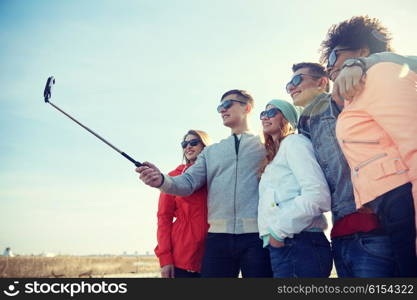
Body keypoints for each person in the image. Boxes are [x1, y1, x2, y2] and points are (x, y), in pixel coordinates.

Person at [136, 90, 272, 277]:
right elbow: (188, 182)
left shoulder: (266, 145)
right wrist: (161, 180)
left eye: (227, 105)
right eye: (219, 107)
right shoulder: (211, 152)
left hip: (256, 238)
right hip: (217, 239)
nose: (222, 110)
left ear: (247, 107)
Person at [320, 15, 417, 276]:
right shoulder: (358, 91)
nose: (329, 67)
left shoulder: (381, 74)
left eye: (333, 57)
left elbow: (414, 146)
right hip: (389, 208)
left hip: (404, 201)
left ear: (362, 50)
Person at [288, 61, 398, 277]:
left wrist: (354, 64)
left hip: (373, 228)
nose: (291, 87)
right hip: (339, 234)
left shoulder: (340, 101)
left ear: (322, 82)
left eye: (297, 79)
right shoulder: (305, 124)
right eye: (288, 84)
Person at [257, 99, 332, 277]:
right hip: (286, 245)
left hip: (300, 243)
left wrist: (278, 231)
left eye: (272, 112)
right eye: (263, 114)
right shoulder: (272, 159)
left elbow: (318, 194)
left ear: (287, 118)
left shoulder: (295, 143)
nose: (265, 118)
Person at [155, 129, 211, 278]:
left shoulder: (215, 174)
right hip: (183, 254)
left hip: (213, 251)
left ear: (205, 146)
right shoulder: (173, 177)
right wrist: (165, 259)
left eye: (193, 142)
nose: (188, 147)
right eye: (184, 144)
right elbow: (164, 218)